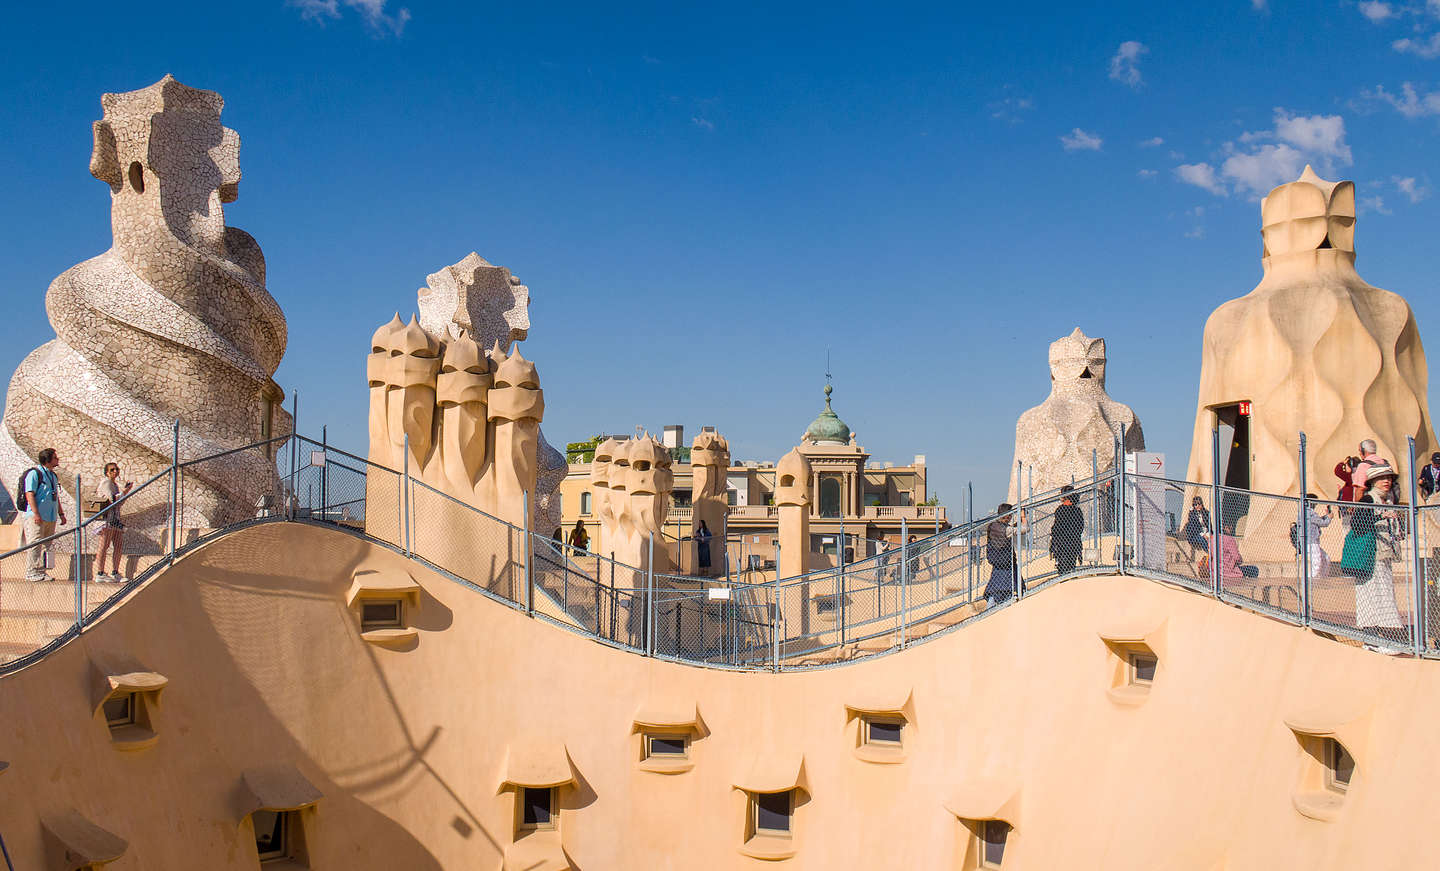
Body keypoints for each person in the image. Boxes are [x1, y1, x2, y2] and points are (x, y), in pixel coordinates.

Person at [1340, 465, 1408, 651]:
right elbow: (1357, 523)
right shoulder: (1370, 499)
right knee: (1379, 594)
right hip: (1372, 556)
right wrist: (1380, 516)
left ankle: (1372, 639)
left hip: (1381, 554)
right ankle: (1384, 639)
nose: (1386, 481)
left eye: (1388, 478)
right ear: (1372, 482)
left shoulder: (1385, 500)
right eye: (1381, 478)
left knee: (1376, 595)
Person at [19, 448, 67, 581]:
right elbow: (30, 494)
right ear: (48, 459)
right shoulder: (35, 474)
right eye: (55, 457)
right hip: (37, 516)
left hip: (50, 516)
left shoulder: (53, 475)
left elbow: (55, 495)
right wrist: (36, 513)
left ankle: (42, 571)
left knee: (47, 544)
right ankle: (31, 571)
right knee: (35, 542)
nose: (57, 459)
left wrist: (61, 513)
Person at [92, 462, 133, 582]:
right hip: (107, 519)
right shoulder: (106, 483)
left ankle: (115, 571)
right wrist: (125, 492)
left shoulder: (114, 484)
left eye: (116, 469)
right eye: (112, 470)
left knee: (118, 545)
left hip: (115, 518)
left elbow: (118, 502)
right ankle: (100, 572)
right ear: (107, 472)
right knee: (104, 545)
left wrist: (124, 493)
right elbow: (112, 500)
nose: (115, 471)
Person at [983, 503, 1021, 604]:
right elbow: (1025, 529)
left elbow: (1007, 531)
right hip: (1007, 564)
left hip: (998, 563)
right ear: (1007, 515)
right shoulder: (1004, 529)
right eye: (1011, 514)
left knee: (995, 591)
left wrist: (1017, 524)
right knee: (1005, 591)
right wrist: (1024, 518)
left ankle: (989, 610)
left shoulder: (994, 526)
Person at [1050, 485, 1084, 575]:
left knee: (1063, 566)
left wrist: (1054, 538)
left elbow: (1057, 527)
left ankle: (1064, 578)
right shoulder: (1077, 510)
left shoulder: (1061, 510)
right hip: (1074, 542)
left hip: (1062, 542)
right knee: (1071, 564)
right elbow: (1080, 527)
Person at [1303, 494, 1332, 579]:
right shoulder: (1309, 513)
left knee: (1325, 559)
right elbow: (1323, 523)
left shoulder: (1306, 512)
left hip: (1312, 541)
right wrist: (1329, 518)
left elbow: (1317, 520)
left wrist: (1326, 516)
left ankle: (1322, 578)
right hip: (1311, 542)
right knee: (1317, 563)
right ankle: (1309, 581)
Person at [1182, 496, 1211, 561]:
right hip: (1195, 534)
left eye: (1199, 504)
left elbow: (1209, 525)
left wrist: (1208, 534)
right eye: (1195, 504)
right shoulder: (1192, 515)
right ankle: (1210, 553)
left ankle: (1214, 552)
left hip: (1206, 532)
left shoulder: (1206, 513)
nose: (1197, 506)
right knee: (1202, 539)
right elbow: (1194, 529)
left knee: (1212, 539)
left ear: (1202, 504)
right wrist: (1203, 535)